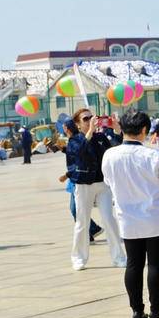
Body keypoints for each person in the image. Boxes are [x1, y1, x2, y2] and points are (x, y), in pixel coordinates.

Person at [102, 109, 159, 318]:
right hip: (156, 218)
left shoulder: (110, 155)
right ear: (144, 130)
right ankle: (157, 309)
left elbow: (109, 182)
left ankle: (137, 310)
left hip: (128, 219)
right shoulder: (154, 156)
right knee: (156, 264)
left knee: (134, 264)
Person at [64, 108, 126, 270]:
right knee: (82, 222)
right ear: (77, 124)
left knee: (109, 219)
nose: (90, 120)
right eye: (85, 119)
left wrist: (117, 128)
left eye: (92, 117)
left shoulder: (100, 137)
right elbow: (79, 153)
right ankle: (78, 258)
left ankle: (119, 257)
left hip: (102, 184)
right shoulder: (74, 140)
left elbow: (117, 145)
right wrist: (90, 131)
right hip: (83, 184)